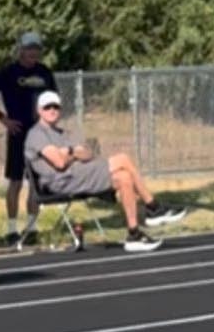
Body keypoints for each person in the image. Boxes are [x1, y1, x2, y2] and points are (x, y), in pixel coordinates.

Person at [24, 90, 186, 253]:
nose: (52, 110)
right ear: (39, 110)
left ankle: (134, 233)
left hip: (79, 175)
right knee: (123, 159)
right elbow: (59, 163)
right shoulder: (36, 134)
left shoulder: (64, 133)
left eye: (55, 107)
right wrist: (74, 152)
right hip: (62, 181)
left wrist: (69, 151)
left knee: (124, 177)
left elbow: (87, 153)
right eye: (47, 107)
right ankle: (153, 207)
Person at [0, 32, 57, 246]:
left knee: (36, 182)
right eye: (29, 48)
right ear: (21, 49)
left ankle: (32, 228)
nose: (33, 52)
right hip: (17, 133)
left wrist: (50, 124)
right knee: (15, 181)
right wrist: (1, 117)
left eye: (36, 48)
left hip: (40, 134)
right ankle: (12, 229)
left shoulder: (44, 72)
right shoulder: (9, 72)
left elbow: (54, 99)